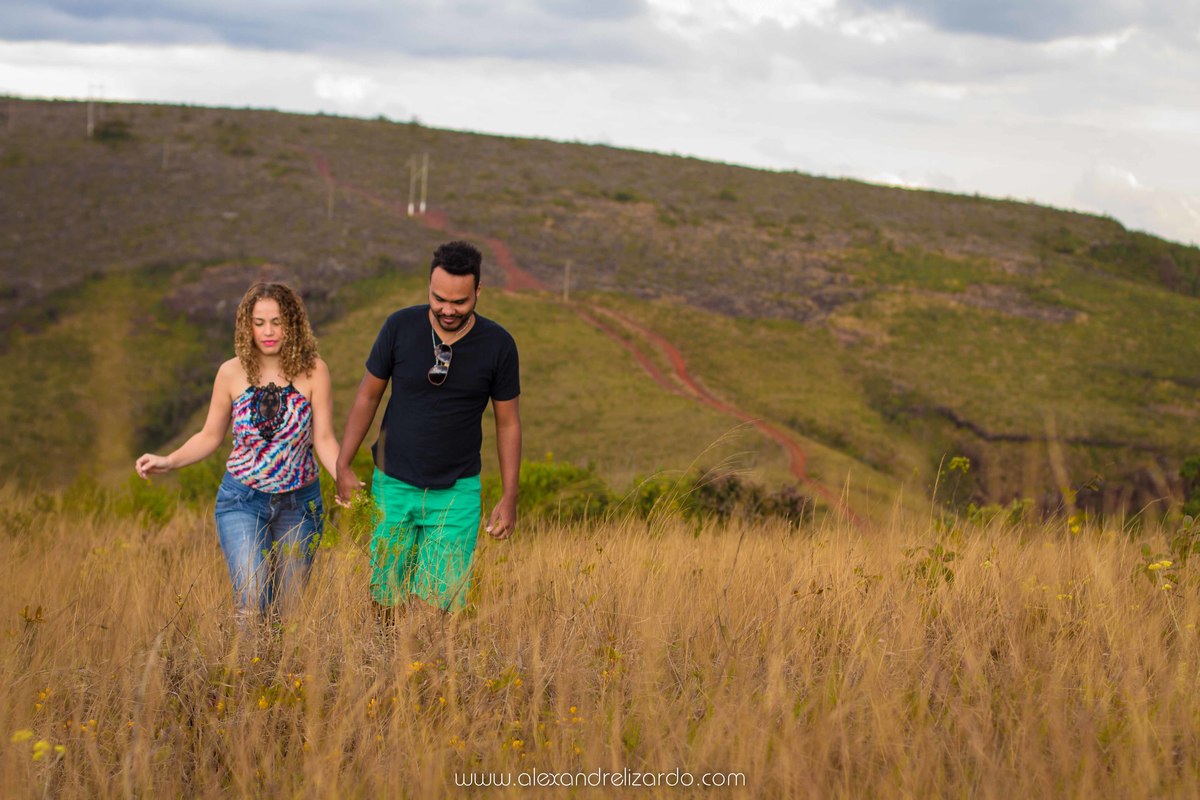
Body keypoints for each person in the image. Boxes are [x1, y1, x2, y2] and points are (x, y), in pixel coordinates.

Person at [135, 282, 341, 622]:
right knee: (252, 597)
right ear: (247, 325)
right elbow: (209, 435)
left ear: (293, 322)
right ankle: (246, 672)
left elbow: (324, 439)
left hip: (299, 504)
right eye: (259, 323)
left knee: (290, 613)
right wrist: (168, 460)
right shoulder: (230, 373)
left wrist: (343, 477)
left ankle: (284, 673)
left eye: (277, 321)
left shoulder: (314, 371)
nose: (268, 331)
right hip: (242, 500)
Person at [336, 240, 521, 614]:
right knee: (384, 602)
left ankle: (423, 673)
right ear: (428, 288)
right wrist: (343, 464)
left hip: (457, 493)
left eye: (460, 302)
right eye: (439, 299)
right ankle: (384, 670)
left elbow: (508, 423)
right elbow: (367, 397)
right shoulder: (399, 326)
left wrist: (509, 494)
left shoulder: (499, 345)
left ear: (478, 291)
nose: (448, 310)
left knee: (434, 610)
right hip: (393, 484)